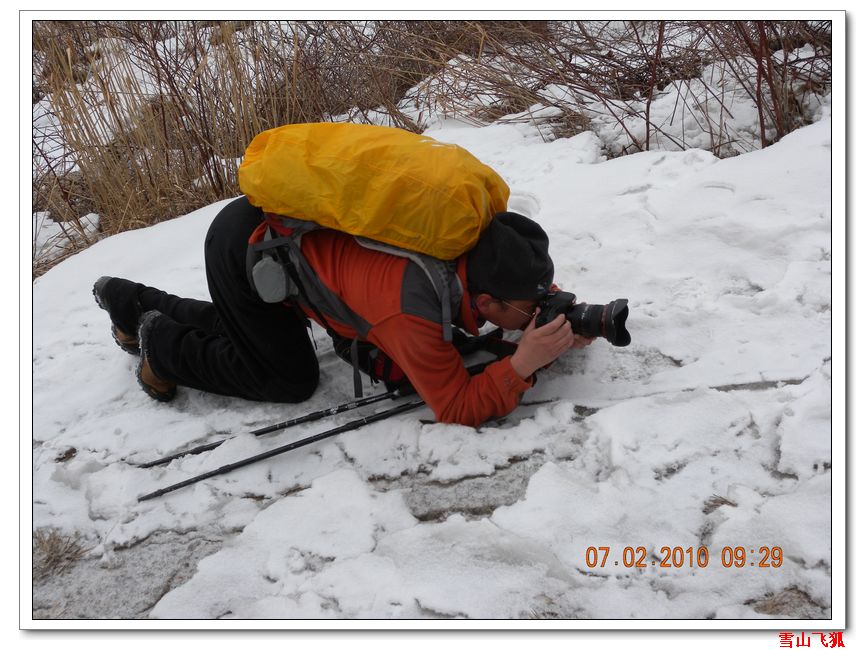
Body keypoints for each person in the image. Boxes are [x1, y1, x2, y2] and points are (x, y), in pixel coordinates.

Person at [93, 196, 593, 427]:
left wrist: (545, 315)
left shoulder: (467, 245)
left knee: (251, 333)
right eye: (529, 307)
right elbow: (456, 407)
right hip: (248, 250)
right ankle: (161, 345)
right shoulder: (410, 309)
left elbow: (483, 313)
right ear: (485, 301)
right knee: (285, 377)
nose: (534, 314)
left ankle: (128, 300)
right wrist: (522, 364)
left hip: (280, 228)